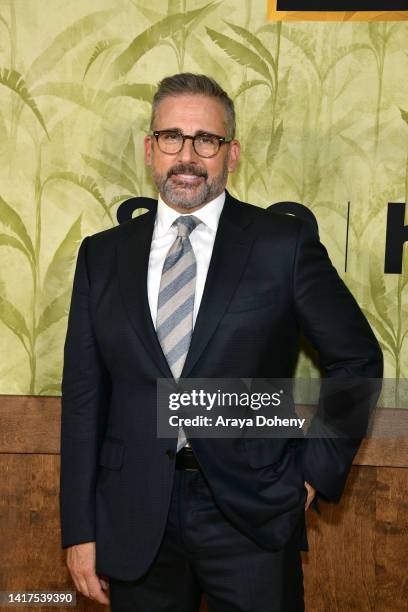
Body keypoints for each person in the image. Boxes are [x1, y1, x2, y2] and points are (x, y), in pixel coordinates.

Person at [60, 73, 383, 611]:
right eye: (172, 137)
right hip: (135, 517)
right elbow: (84, 398)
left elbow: (358, 358)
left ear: (231, 154)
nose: (188, 155)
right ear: (150, 149)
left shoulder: (283, 245)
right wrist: (79, 527)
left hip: (253, 515)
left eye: (206, 140)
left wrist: (309, 478)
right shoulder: (101, 256)